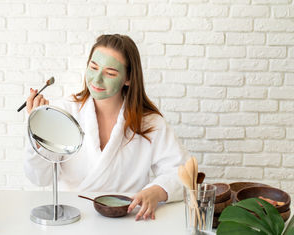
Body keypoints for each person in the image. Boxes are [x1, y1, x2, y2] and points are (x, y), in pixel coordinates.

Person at [24, 34, 188, 221]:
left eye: (110, 73)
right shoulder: (65, 113)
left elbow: (182, 174)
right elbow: (40, 178)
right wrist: (36, 132)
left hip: (127, 221)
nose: (97, 79)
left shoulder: (149, 123)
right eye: (93, 68)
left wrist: (156, 191)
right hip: (70, 219)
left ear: (128, 78)